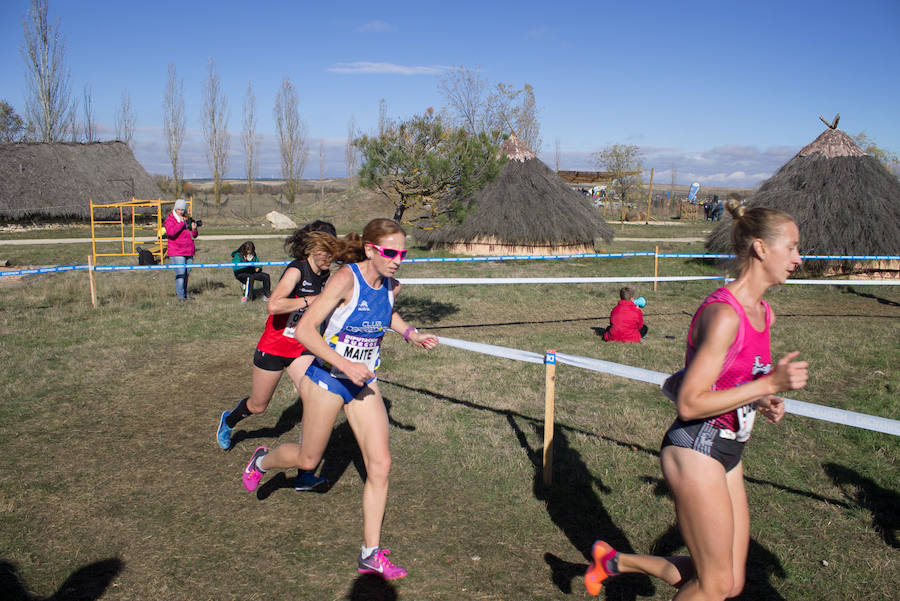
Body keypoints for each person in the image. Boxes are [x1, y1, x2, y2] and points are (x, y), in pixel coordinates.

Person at [586, 199, 808, 599]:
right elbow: (689, 403)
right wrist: (769, 385)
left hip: (728, 448)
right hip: (697, 445)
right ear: (760, 247)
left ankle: (615, 562)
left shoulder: (764, 312)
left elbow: (730, 381)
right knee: (713, 584)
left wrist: (762, 399)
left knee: (732, 582)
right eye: (791, 247)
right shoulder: (725, 315)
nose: (798, 258)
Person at [241, 218, 439, 580]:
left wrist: (411, 333)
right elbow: (304, 330)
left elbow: (386, 312)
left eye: (403, 252)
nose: (398, 259)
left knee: (380, 465)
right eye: (391, 252)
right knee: (307, 459)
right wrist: (346, 364)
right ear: (370, 250)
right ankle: (262, 461)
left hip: (363, 382)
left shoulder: (392, 284)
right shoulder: (346, 278)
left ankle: (370, 554)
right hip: (328, 379)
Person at [216, 220, 338, 474]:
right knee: (258, 406)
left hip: (301, 346)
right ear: (313, 247)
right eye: (328, 249)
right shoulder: (297, 270)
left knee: (313, 399)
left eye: (334, 249)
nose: (331, 255)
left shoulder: (326, 275)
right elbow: (273, 305)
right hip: (273, 346)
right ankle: (229, 421)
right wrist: (308, 301)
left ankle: (305, 468)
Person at [164, 198, 199, 300]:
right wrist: (182, 224)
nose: (180, 211)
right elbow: (171, 232)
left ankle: (185, 293)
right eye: (178, 209)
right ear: (175, 209)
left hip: (188, 250)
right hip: (176, 251)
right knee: (181, 273)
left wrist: (194, 229)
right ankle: (181, 297)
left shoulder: (187, 219)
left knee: (187, 273)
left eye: (182, 209)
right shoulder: (170, 220)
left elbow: (194, 235)